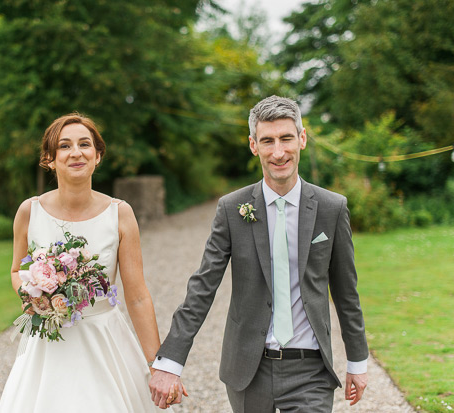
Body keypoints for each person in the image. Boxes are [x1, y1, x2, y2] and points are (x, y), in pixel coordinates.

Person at [149, 96, 369, 412]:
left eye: (286, 139)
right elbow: (202, 288)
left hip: (311, 371)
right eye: (267, 141)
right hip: (248, 371)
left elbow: (347, 293)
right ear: (254, 146)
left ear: (302, 139)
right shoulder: (231, 209)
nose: (278, 152)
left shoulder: (332, 209)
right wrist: (170, 361)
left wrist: (357, 362)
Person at [0, 113, 172, 412]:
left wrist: (159, 365)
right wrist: (34, 296)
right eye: (64, 146)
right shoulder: (30, 211)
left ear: (98, 155)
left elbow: (138, 295)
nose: (76, 152)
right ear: (50, 159)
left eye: (84, 144)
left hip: (104, 341)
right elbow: (16, 271)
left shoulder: (121, 214)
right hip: (49, 347)